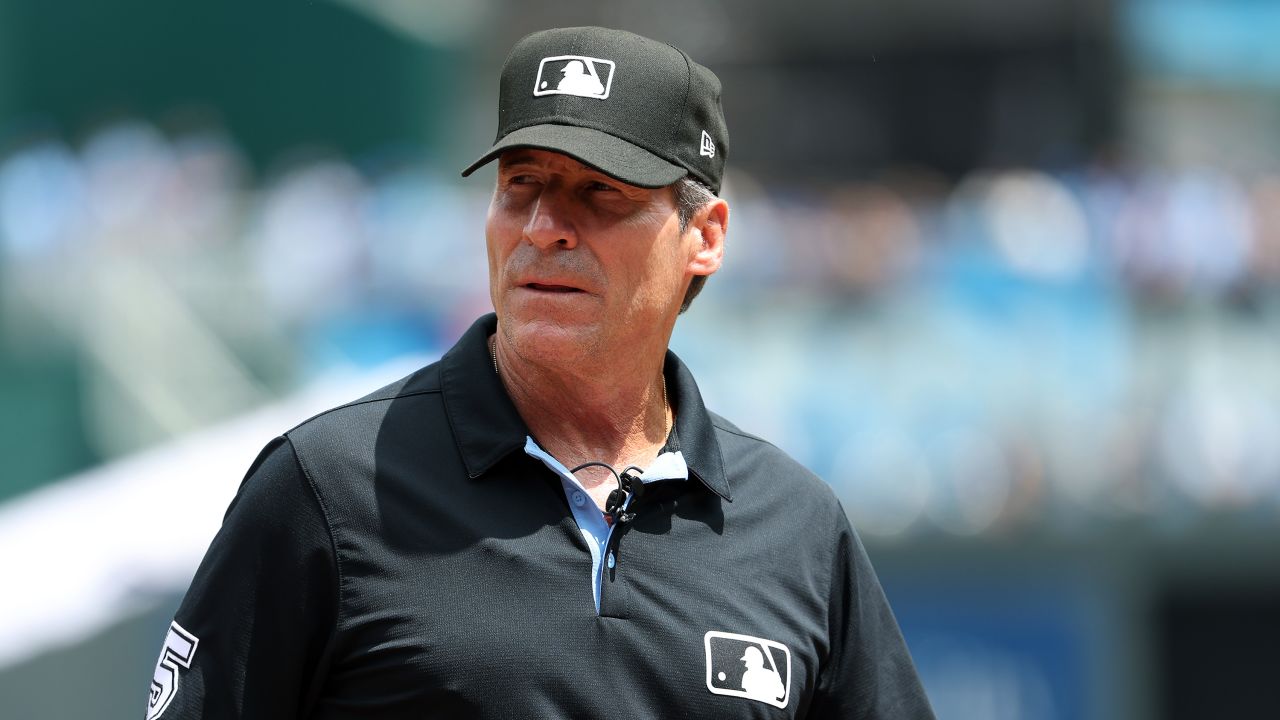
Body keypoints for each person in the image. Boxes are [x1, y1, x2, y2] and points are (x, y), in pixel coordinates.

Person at [145, 26, 935, 719]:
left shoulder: (796, 526)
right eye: (521, 184)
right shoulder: (326, 486)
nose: (546, 227)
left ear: (706, 234)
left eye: (600, 193)